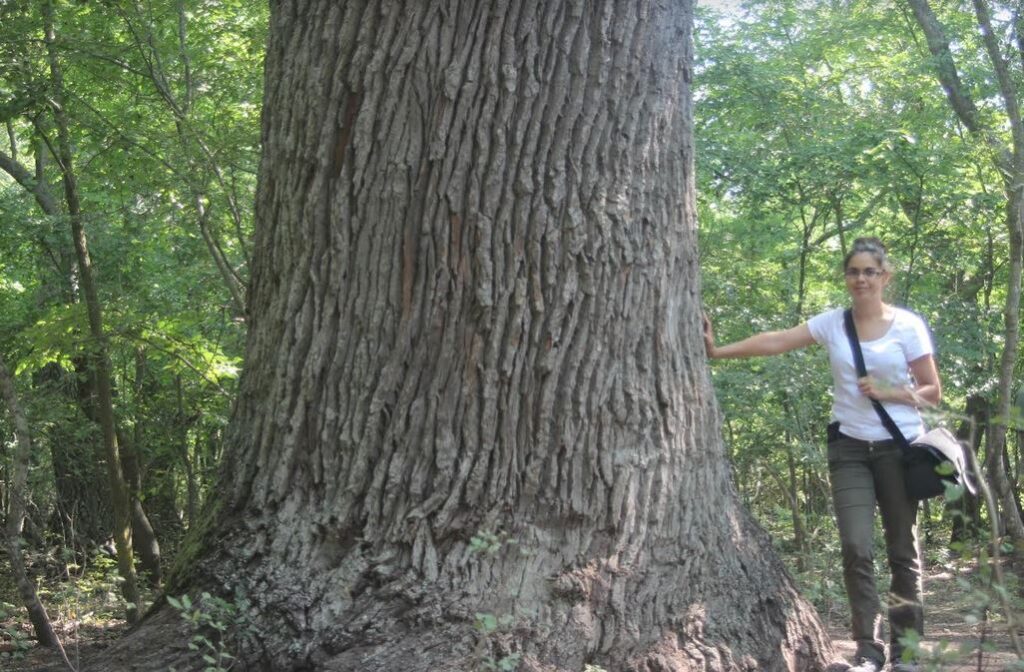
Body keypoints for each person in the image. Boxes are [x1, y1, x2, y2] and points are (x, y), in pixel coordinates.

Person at [703, 237, 940, 672]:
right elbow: (778, 340)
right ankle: (868, 652)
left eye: (870, 271)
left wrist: (890, 392)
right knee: (855, 546)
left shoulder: (908, 325)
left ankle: (907, 653)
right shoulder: (834, 322)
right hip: (849, 447)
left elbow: (932, 391)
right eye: (854, 271)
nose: (861, 279)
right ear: (846, 277)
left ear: (885, 276)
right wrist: (719, 351)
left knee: (902, 551)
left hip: (899, 451)